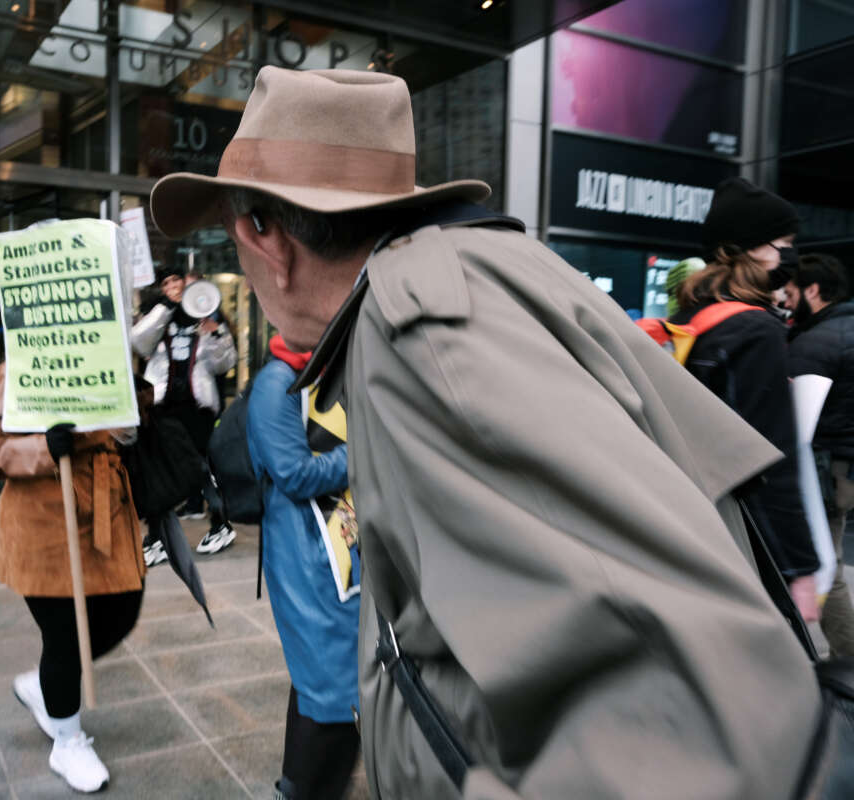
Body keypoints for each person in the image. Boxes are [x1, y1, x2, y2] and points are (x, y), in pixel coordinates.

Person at [149, 67, 824, 798]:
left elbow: (671, 710)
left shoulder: (419, 336)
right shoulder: (459, 281)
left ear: (266, 237)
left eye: (233, 242)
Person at [0, 368, 145, 794]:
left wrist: (130, 409)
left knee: (124, 610)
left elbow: (129, 424)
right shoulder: (14, 371)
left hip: (107, 510)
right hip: (42, 522)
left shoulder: (104, 355)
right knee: (65, 636)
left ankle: (41, 684)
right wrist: (44, 449)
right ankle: (67, 741)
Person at [672, 178, 820, 618]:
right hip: (745, 544)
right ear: (754, 247)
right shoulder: (754, 330)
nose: (789, 254)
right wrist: (799, 568)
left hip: (689, 525)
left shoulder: (690, 316)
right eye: (785, 242)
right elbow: (767, 459)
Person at [247, 334, 361, 800]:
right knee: (333, 684)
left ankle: (296, 785)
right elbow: (293, 475)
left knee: (320, 677)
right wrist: (365, 454)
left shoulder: (329, 371)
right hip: (305, 558)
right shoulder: (277, 382)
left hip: (340, 548)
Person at [131, 265, 238, 561]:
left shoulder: (207, 318)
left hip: (197, 408)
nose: (174, 287)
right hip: (163, 408)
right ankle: (159, 536)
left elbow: (225, 363)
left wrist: (217, 333)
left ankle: (217, 525)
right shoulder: (158, 317)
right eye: (167, 283)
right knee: (160, 472)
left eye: (178, 282)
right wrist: (166, 308)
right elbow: (138, 342)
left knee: (201, 467)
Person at [785, 253, 854, 657]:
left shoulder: (816, 341)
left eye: (791, 293)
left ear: (813, 290)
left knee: (825, 569)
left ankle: (847, 660)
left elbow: (793, 418)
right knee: (830, 560)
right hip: (845, 466)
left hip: (825, 470)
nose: (787, 301)